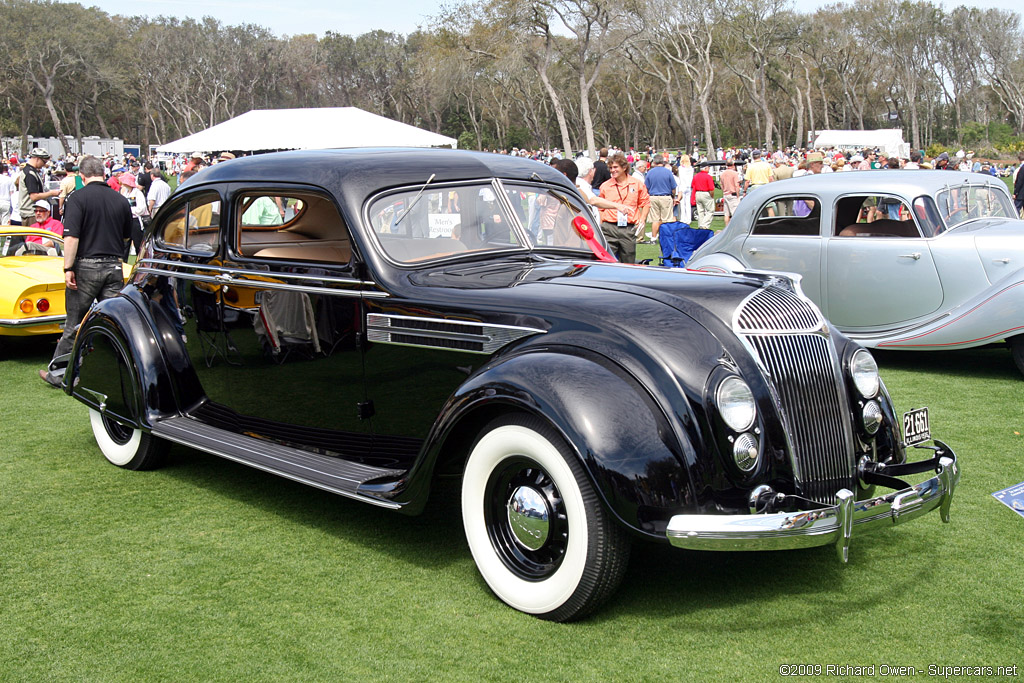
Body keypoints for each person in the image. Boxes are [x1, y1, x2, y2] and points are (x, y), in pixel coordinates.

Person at [39, 155, 133, 387]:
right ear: (104, 173)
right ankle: (121, 371)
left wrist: (68, 267)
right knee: (113, 321)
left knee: (74, 322)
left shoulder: (77, 198)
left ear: (82, 176)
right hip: (113, 265)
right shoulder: (121, 200)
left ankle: (59, 374)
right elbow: (126, 237)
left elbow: (71, 238)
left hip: (85, 265)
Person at [598, 153, 649, 264]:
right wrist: (602, 222)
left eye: (615, 167)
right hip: (609, 227)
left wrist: (642, 219)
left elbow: (645, 203)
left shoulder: (637, 184)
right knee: (606, 260)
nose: (612, 170)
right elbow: (600, 206)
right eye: (610, 168)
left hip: (628, 228)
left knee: (628, 261)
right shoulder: (605, 186)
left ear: (624, 167)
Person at [16, 148, 60, 227]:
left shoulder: (31, 171)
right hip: (31, 214)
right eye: (44, 162)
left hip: (33, 212)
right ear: (37, 159)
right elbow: (34, 196)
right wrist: (51, 193)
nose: (44, 164)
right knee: (34, 239)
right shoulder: (30, 174)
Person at [644, 155, 677, 241]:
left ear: (654, 162)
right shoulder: (668, 172)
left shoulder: (650, 172)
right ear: (663, 162)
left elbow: (646, 187)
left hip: (653, 197)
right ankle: (665, 237)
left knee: (655, 219)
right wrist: (673, 196)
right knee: (666, 219)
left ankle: (653, 237)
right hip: (665, 196)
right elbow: (673, 187)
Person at [691, 163, 715, 230]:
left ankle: (700, 225)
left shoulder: (696, 176)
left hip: (698, 193)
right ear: (706, 168)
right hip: (706, 193)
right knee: (710, 210)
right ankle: (704, 225)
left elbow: (693, 185)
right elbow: (711, 188)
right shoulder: (708, 176)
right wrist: (712, 196)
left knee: (700, 211)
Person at [718, 160, 741, 227]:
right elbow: (736, 185)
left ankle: (726, 228)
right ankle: (736, 227)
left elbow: (721, 185)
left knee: (726, 214)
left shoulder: (722, 174)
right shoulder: (734, 173)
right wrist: (738, 195)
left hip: (725, 194)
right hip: (733, 194)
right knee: (735, 213)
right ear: (733, 164)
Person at [676, 154, 694, 224]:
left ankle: (683, 218)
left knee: (682, 204)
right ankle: (688, 219)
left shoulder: (681, 168)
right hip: (688, 186)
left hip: (682, 186)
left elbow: (680, 177)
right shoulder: (691, 169)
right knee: (688, 203)